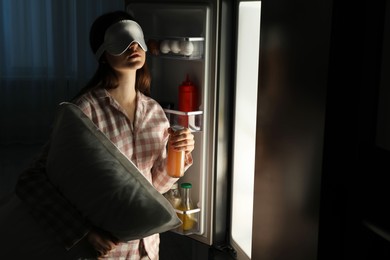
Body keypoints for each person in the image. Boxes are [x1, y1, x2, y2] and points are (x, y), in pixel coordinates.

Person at [12, 10, 195, 259]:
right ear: (103, 53)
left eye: (137, 39)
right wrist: (84, 232)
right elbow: (32, 181)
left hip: (148, 251)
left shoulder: (154, 112)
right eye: (122, 39)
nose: (133, 46)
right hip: (108, 252)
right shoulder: (83, 111)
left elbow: (153, 188)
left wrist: (178, 154)